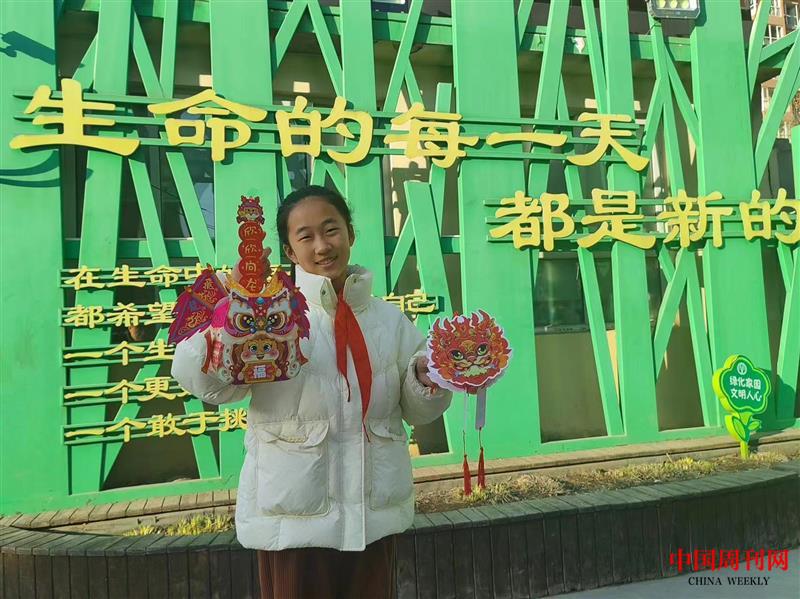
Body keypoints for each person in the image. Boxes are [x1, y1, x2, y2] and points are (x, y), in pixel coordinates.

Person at [172, 185, 452, 599]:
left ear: (350, 233)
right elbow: (208, 384)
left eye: (331, 229)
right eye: (306, 236)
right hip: (294, 520)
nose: (322, 246)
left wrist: (427, 379)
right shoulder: (268, 313)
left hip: (372, 518)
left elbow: (417, 410)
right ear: (289, 250)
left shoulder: (390, 322)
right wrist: (224, 318)